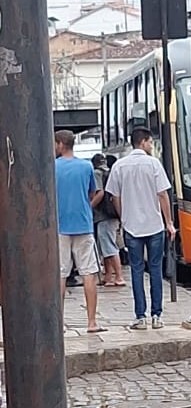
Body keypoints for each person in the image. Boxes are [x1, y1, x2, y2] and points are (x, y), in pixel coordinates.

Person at [105, 127, 176, 330]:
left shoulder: (120, 166)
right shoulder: (153, 164)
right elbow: (162, 194)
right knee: (155, 269)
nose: (151, 146)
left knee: (136, 270)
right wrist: (169, 222)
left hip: (132, 226)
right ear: (143, 142)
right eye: (150, 142)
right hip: (154, 225)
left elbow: (114, 196)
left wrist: (123, 216)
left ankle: (140, 316)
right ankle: (157, 315)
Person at [54, 130, 105, 333]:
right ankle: (91, 322)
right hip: (83, 224)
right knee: (88, 273)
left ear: (59, 144)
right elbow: (92, 192)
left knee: (61, 274)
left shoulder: (52, 167)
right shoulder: (86, 166)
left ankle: (59, 323)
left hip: (59, 225)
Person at [91, 154, 125, 287]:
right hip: (112, 214)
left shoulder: (97, 173)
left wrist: (89, 207)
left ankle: (119, 276)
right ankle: (108, 277)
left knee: (109, 246)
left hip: (103, 216)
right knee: (105, 246)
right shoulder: (110, 172)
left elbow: (100, 193)